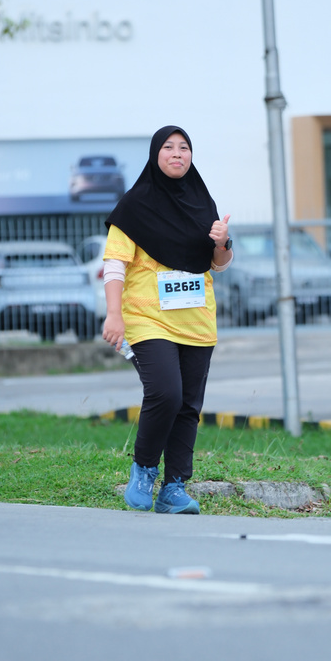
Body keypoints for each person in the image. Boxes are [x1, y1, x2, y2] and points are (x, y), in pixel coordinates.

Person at [101, 125, 233, 514]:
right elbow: (114, 264)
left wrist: (222, 242)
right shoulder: (134, 205)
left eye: (184, 147)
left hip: (196, 320)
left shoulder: (202, 202)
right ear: (155, 154)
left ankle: (174, 487)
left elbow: (218, 264)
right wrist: (113, 314)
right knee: (166, 393)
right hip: (147, 318)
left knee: (188, 405)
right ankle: (143, 470)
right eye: (169, 147)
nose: (177, 153)